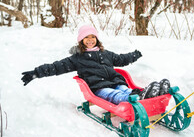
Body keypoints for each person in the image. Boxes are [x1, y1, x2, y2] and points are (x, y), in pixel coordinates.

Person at [21, 25, 170, 104]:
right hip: (98, 88)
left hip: (115, 81)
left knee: (123, 88)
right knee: (115, 95)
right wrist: (35, 73)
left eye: (93, 37)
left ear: (97, 39)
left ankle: (149, 94)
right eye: (87, 37)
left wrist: (134, 55)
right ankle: (139, 97)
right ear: (81, 40)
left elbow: (121, 59)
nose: (90, 40)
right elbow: (55, 67)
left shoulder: (106, 54)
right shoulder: (77, 58)